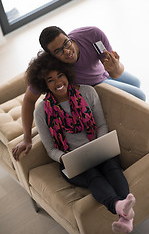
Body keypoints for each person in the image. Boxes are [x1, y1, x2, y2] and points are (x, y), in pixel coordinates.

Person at [13, 51, 136, 233]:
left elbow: (101, 124)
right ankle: (120, 208)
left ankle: (123, 215)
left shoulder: (88, 92)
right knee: (92, 174)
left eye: (60, 75)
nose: (58, 82)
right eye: (50, 79)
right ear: (44, 84)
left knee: (112, 167)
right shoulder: (41, 112)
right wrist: (65, 158)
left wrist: (99, 144)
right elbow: (50, 148)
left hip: (98, 148)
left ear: (67, 73)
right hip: (71, 161)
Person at [12, 26, 146, 158]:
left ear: (69, 37)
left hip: (105, 71)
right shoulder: (54, 66)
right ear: (51, 56)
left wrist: (115, 67)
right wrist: (27, 138)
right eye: (58, 51)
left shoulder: (93, 35)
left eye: (66, 43)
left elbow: (116, 73)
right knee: (140, 95)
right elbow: (29, 100)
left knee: (136, 83)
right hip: (97, 83)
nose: (67, 51)